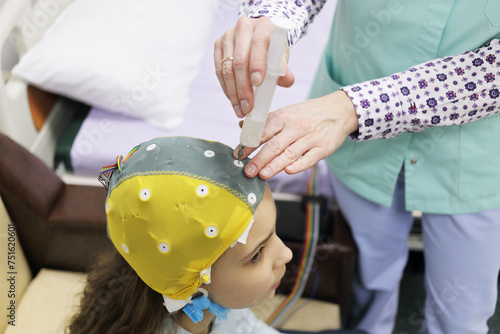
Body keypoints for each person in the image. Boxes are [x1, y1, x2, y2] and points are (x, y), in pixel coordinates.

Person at [214, 1, 500, 333]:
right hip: (358, 137)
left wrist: (356, 109)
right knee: (367, 282)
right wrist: (270, 18)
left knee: (460, 315)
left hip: (474, 153)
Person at [66, 136, 293, 334]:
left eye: (273, 234)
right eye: (257, 255)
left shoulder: (219, 300)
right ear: (192, 282)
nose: (287, 254)